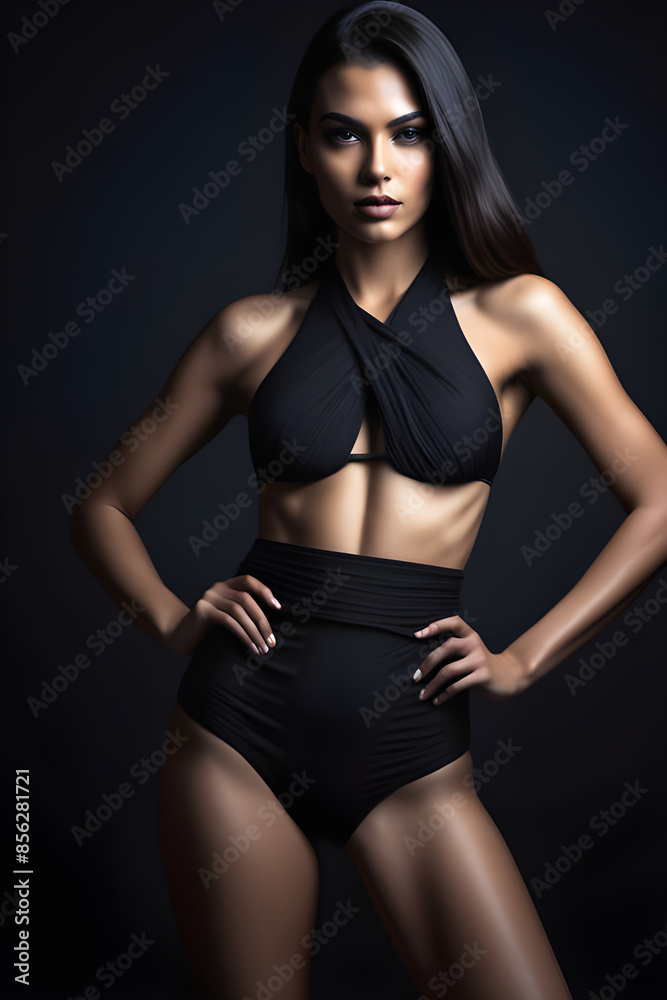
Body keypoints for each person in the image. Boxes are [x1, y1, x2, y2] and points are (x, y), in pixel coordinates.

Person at [69, 3, 667, 998]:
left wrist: (524, 657)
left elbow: (658, 498)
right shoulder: (248, 333)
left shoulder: (523, 315)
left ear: (446, 141)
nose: (375, 167)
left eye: (407, 131)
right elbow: (99, 506)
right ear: (304, 149)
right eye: (344, 133)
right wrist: (174, 617)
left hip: (409, 744)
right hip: (234, 734)